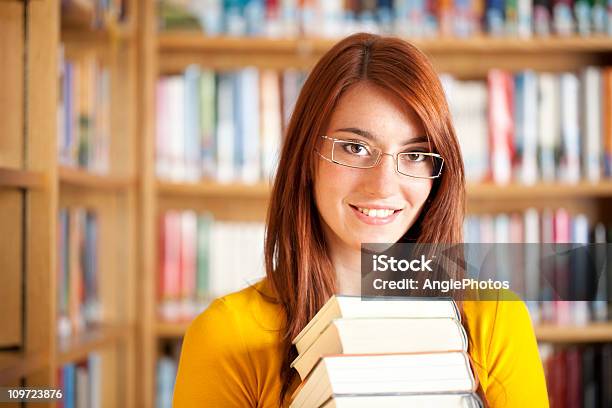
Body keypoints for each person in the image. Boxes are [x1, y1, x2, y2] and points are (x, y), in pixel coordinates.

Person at [173, 33, 549, 407]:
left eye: (416, 155)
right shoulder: (225, 335)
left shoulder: (497, 320)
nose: (383, 185)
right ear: (307, 156)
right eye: (355, 148)